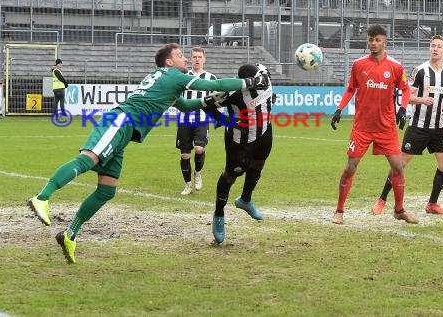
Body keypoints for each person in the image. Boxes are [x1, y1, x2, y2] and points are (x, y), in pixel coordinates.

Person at [27, 43, 269, 263]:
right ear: (169, 62)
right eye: (180, 55)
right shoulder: (174, 75)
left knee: (107, 190)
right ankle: (42, 197)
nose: (186, 59)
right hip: (121, 120)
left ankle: (69, 234)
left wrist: (208, 102)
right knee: (88, 159)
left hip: (128, 130)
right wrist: (248, 83)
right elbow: (214, 84)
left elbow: (185, 105)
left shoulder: (166, 80)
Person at [330, 24, 418, 225]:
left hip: (386, 127)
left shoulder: (395, 66)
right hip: (362, 127)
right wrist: (339, 109)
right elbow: (351, 89)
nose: (373, 44)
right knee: (351, 166)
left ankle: (399, 210)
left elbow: (405, 90)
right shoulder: (359, 64)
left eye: (377, 40)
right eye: (370, 40)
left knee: (398, 167)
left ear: (384, 42)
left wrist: (403, 109)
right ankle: (339, 211)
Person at [372, 35, 443, 216]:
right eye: (432, 46)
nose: (435, 49)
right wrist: (421, 100)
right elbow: (406, 95)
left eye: (439, 46)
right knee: (399, 165)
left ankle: (432, 204)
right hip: (418, 127)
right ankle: (382, 199)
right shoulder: (420, 71)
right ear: (429, 49)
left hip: (438, 128)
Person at [205, 63, 273, 244]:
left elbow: (263, 72)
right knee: (232, 174)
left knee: (259, 164)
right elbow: (206, 103)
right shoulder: (231, 93)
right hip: (240, 140)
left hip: (265, 132)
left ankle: (245, 199)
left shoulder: (264, 75)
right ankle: (219, 214)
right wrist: (224, 119)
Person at [176, 46, 217, 195]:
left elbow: (217, 99)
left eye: (200, 57)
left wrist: (218, 117)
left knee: (199, 149)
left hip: (202, 118)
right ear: (191, 59)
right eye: (194, 57)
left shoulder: (211, 78)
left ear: (204, 59)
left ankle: (198, 173)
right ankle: (188, 185)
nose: (197, 59)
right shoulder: (183, 76)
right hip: (184, 119)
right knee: (185, 155)